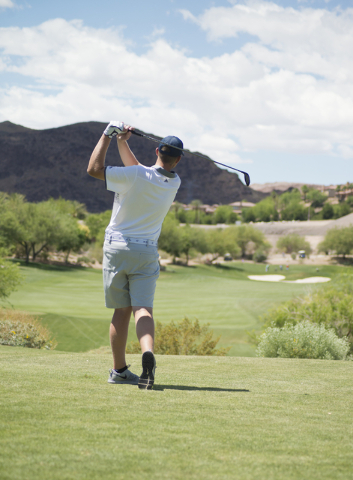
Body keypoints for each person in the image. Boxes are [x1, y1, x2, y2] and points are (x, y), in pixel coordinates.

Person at [87, 121, 182, 389]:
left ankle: (119, 371)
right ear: (177, 160)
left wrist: (108, 135)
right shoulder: (174, 182)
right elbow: (139, 171)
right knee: (143, 309)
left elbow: (94, 169)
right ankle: (146, 352)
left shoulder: (136, 175)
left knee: (121, 311)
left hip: (117, 248)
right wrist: (123, 142)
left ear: (156, 151)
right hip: (146, 251)